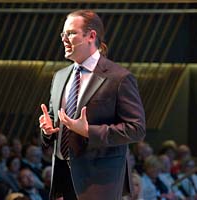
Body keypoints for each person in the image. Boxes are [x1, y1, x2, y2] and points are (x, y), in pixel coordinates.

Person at [39, 9, 146, 199]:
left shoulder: (119, 78)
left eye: (71, 33)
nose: (64, 39)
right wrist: (48, 130)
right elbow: (57, 121)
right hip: (63, 178)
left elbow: (136, 129)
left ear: (91, 36)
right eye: (63, 34)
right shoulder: (59, 77)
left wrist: (89, 131)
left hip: (100, 180)